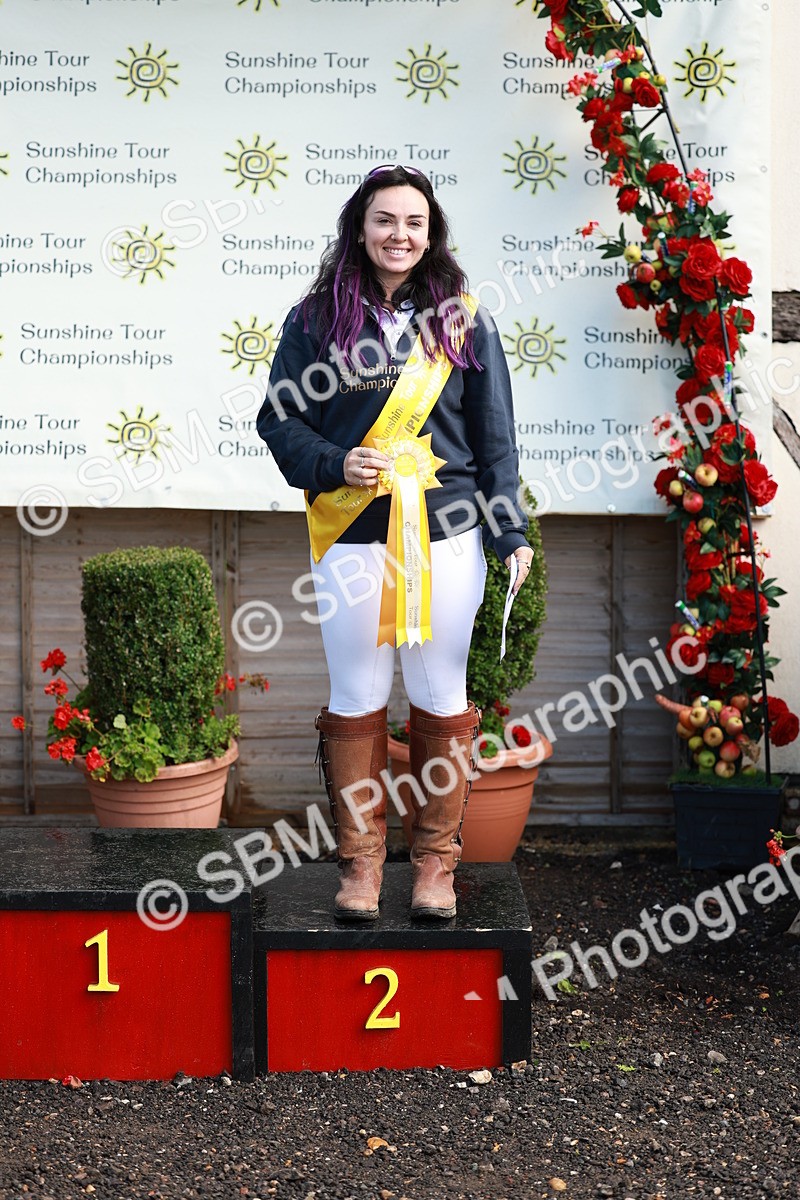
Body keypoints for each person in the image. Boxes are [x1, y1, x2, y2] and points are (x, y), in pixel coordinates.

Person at [257, 165, 533, 922]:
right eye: (385, 221)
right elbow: (279, 422)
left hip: (447, 537)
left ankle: (436, 866)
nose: (399, 235)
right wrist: (334, 461)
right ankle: (361, 865)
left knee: (442, 695)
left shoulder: (463, 322)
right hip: (348, 535)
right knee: (357, 698)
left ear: (431, 233)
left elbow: (496, 439)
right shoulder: (314, 321)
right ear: (359, 228)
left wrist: (509, 529)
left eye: (414, 222)